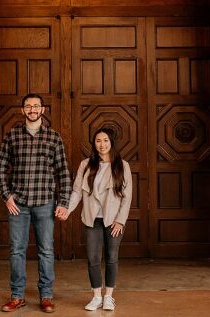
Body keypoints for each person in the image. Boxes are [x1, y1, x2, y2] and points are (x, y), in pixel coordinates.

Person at [0, 93, 71, 313]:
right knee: (17, 250)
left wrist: (63, 202)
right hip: (18, 204)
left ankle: (46, 296)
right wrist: (6, 196)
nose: (32, 110)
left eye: (36, 106)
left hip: (45, 202)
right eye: (28, 106)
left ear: (43, 110)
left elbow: (63, 172)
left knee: (46, 250)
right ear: (22, 110)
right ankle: (17, 296)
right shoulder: (12, 136)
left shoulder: (53, 137)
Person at [62, 127, 133, 311]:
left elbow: (127, 196)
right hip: (92, 219)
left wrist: (120, 220)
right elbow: (77, 192)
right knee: (93, 258)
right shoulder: (86, 164)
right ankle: (96, 296)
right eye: (98, 141)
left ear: (112, 142)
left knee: (111, 258)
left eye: (106, 140)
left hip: (113, 221)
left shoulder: (122, 165)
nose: (102, 144)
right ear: (94, 144)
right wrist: (68, 210)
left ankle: (108, 296)